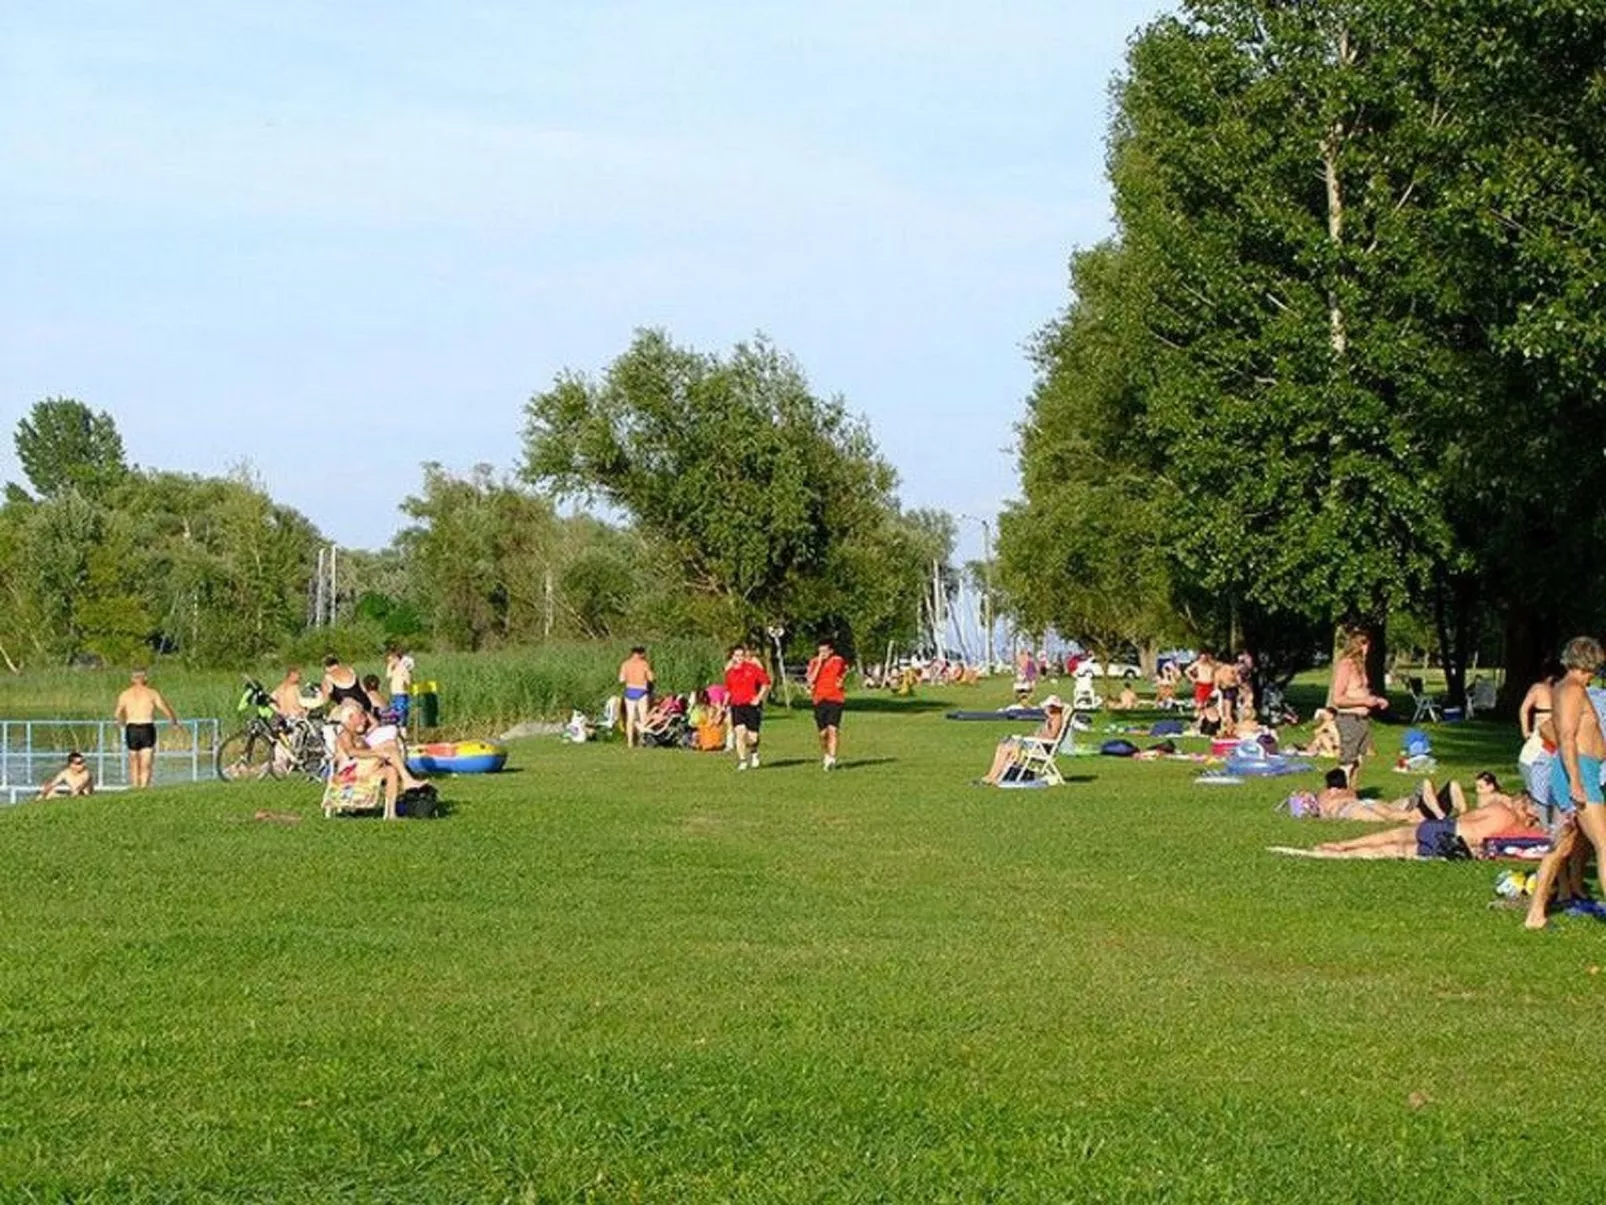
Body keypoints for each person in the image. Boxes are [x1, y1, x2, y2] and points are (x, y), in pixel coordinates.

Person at [1524, 637, 1606, 929]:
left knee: (1561, 845)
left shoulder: (1568, 689)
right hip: (1579, 771)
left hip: (1583, 769)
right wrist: (1575, 782)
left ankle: (1535, 915)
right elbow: (1566, 737)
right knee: (1604, 843)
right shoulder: (1571, 690)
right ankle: (1535, 913)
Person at [1274, 784, 1539, 859]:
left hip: (1449, 828)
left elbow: (1467, 817)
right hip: (1457, 843)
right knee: (1393, 850)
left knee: (1395, 835)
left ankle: (1341, 845)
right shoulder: (1519, 828)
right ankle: (1341, 854)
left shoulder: (1499, 810)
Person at [1328, 629, 1388, 787]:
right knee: (1347, 761)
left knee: (1358, 761)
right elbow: (1338, 699)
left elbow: (1360, 692)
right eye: (1364, 644)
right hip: (1350, 719)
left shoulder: (1360, 667)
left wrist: (1375, 700)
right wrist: (1364, 701)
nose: (1367, 649)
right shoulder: (1346, 665)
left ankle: (1352, 793)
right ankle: (1339, 794)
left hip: (1362, 720)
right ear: (1357, 645)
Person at [331, 702, 401, 821]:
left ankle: (390, 812)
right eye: (361, 716)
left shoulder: (357, 734)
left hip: (366, 769)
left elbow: (375, 724)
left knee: (391, 770)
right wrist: (377, 754)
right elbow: (351, 752)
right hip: (352, 772)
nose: (365, 720)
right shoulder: (345, 734)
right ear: (351, 718)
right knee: (389, 751)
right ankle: (407, 777)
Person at [114, 669, 179, 789]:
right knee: (146, 761)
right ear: (145, 679)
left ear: (132, 679)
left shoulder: (125, 694)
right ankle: (144, 786)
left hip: (131, 727)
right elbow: (164, 708)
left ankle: (135, 786)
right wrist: (174, 721)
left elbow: (117, 714)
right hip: (146, 727)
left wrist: (121, 724)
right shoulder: (152, 693)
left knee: (134, 760)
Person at [980, 696, 1068, 785]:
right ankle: (992, 775)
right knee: (1003, 746)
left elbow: (1051, 737)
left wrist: (1036, 738)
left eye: (1050, 707)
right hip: (1037, 745)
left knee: (1007, 748)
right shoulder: (1051, 718)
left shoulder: (1056, 719)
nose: (1047, 709)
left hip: (1041, 748)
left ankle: (995, 776)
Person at [1517, 660, 1561, 815]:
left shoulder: (1538, 688)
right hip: (1552, 735)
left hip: (1543, 734)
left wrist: (1526, 731)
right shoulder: (1562, 690)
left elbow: (1524, 710)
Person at [724, 645, 771, 770]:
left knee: (752, 737)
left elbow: (766, 683)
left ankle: (754, 753)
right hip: (737, 705)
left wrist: (758, 698)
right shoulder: (729, 673)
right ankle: (742, 761)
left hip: (751, 706)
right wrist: (724, 705)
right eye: (736, 656)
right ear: (732, 657)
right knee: (740, 733)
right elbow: (728, 690)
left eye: (741, 656)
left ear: (745, 657)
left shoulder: (752, 669)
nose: (739, 658)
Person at [806, 638, 848, 770]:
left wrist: (841, 680)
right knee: (823, 733)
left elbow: (845, 669)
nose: (823, 653)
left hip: (835, 698)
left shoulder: (837, 660)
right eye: (820, 651)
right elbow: (810, 680)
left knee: (833, 729)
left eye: (825, 651)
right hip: (819, 699)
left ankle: (832, 758)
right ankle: (826, 753)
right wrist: (819, 663)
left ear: (831, 651)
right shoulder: (814, 662)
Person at [618, 646, 655, 748]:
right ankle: (641, 741)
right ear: (641, 654)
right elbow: (651, 678)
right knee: (643, 717)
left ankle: (630, 742)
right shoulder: (644, 664)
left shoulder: (625, 664)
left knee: (630, 718)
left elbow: (621, 679)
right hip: (642, 691)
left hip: (629, 691)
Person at [320, 654, 374, 718]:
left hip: (350, 712)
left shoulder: (328, 677)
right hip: (366, 705)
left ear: (326, 667)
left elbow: (325, 699)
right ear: (338, 663)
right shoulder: (351, 670)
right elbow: (364, 689)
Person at [385, 646, 415, 729]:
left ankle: (402, 731)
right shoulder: (394, 669)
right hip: (394, 694)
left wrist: (405, 683)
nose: (390, 662)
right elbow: (388, 676)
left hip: (401, 694)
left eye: (391, 660)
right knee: (394, 715)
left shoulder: (403, 668)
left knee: (401, 715)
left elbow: (408, 681)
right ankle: (397, 730)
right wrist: (390, 666)